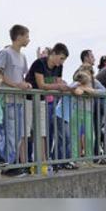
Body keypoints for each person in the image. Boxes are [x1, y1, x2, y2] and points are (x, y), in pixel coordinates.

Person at [25, 43, 69, 171]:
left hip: (43, 100)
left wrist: (63, 87)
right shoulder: (39, 63)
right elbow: (41, 85)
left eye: (64, 60)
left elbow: (59, 83)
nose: (62, 62)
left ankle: (43, 162)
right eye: (61, 58)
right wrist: (59, 87)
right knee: (28, 133)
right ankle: (26, 162)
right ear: (53, 54)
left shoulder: (59, 67)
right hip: (29, 99)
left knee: (43, 133)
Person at [0, 24, 31, 175]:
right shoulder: (5, 53)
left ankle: (10, 162)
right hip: (8, 99)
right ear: (19, 36)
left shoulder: (23, 56)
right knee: (10, 133)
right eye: (27, 36)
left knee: (17, 134)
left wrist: (25, 84)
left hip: (19, 100)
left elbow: (24, 75)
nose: (29, 39)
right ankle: (8, 164)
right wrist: (16, 85)